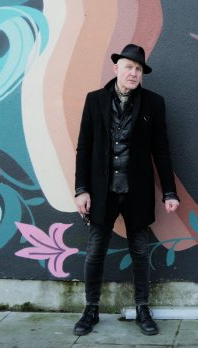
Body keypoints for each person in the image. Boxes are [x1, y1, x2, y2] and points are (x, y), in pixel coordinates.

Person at [72, 44, 180, 337]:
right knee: (95, 252)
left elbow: (161, 150)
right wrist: (81, 189)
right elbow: (84, 148)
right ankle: (91, 309)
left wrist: (169, 192)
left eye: (138, 69)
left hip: (137, 192)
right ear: (116, 68)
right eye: (129, 67)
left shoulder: (154, 103)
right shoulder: (94, 100)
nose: (133, 73)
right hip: (102, 192)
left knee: (140, 252)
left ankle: (142, 308)